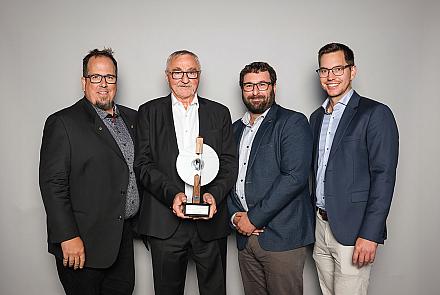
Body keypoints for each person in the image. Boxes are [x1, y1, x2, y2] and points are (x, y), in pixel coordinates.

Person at [134, 50, 237, 295]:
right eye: (177, 72)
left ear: (198, 76)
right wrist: (173, 196)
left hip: (210, 222)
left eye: (190, 72)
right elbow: (143, 164)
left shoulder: (219, 113)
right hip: (164, 223)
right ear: (167, 76)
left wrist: (214, 196)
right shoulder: (149, 112)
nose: (184, 78)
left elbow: (229, 163)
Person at [39, 48, 139, 295]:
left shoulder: (132, 118)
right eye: (96, 77)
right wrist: (67, 236)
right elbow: (53, 184)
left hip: (122, 239)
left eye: (110, 77)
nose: (103, 84)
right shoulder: (63, 122)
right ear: (84, 82)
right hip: (82, 243)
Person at [310, 42, 399, 295]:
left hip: (354, 229)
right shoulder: (316, 118)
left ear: (353, 71)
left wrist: (370, 234)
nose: (331, 76)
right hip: (320, 225)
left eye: (338, 69)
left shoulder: (375, 113)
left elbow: (384, 176)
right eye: (324, 70)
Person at [227, 62, 315, 295]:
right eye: (249, 86)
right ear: (242, 89)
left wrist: (253, 218)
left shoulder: (292, 122)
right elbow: (226, 177)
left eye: (262, 84)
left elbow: (294, 177)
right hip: (244, 236)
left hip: (281, 236)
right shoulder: (234, 129)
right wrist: (235, 216)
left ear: (274, 87)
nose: (255, 91)